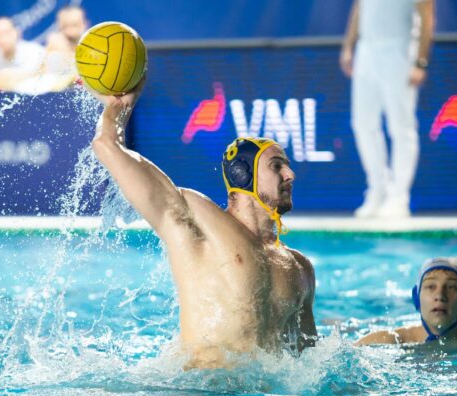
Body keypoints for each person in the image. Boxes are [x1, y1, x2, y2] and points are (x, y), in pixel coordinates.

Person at [90, 78, 317, 369]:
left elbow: (309, 362)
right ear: (242, 176)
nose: (290, 175)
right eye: (276, 166)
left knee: (392, 337)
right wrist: (118, 108)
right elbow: (106, 146)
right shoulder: (199, 225)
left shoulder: (300, 267)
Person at [340, 0, 435, 218]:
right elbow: (359, 7)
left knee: (401, 127)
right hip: (366, 51)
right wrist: (348, 45)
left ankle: (398, 197)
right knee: (362, 124)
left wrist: (420, 62)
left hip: (399, 51)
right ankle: (377, 190)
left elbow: (426, 16)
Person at [355, 258, 457, 346]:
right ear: (417, 298)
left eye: (451, 287)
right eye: (430, 286)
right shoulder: (386, 342)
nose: (440, 295)